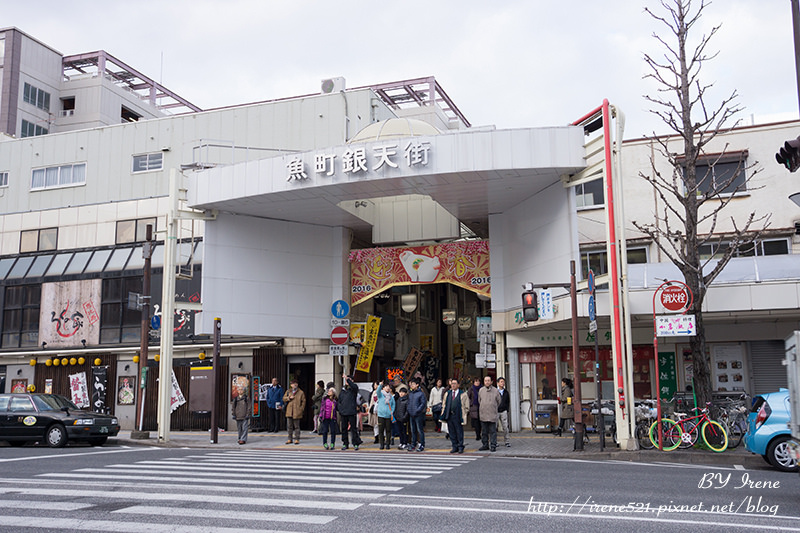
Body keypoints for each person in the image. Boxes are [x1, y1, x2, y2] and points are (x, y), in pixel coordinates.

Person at [441, 378, 469, 453]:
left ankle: (460, 446)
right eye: (452, 383)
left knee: (459, 432)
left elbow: (467, 406)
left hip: (458, 415)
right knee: (451, 432)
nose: (453, 385)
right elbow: (444, 404)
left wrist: (464, 413)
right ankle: (454, 446)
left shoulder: (463, 394)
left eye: (455, 383)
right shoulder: (448, 393)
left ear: (458, 385)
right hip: (449, 415)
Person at [338, 373, 362, 450]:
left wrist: (347, 379)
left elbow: (354, 386)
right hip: (343, 412)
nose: (347, 382)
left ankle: (355, 443)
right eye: (346, 380)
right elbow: (339, 401)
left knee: (353, 429)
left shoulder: (354, 389)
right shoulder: (343, 390)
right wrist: (340, 409)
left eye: (348, 380)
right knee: (344, 428)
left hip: (351, 412)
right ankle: (345, 443)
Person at [478, 375, 501, 452]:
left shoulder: (495, 391)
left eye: (488, 380)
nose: (487, 382)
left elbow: (499, 401)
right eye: (485, 381)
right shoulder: (481, 390)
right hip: (483, 414)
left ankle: (493, 445)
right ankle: (485, 445)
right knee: (484, 431)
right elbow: (479, 400)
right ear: (484, 382)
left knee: (493, 431)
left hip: (492, 414)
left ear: (491, 382)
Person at [283, 379, 306, 445]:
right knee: (289, 426)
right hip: (289, 411)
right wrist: (289, 398)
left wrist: (301, 409)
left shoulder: (301, 392)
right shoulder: (288, 391)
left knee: (297, 426)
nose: (295, 385)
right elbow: (283, 399)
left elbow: (303, 401)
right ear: (291, 385)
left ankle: (297, 439)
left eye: (296, 383)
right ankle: (289, 439)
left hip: (297, 411)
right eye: (293, 384)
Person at [407, 378, 426, 452]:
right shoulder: (410, 393)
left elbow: (423, 404)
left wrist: (417, 410)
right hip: (411, 414)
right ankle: (413, 444)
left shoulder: (421, 393)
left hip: (418, 414)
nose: (411, 386)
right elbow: (408, 403)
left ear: (417, 385)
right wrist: (409, 410)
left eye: (413, 384)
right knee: (413, 430)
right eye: (411, 384)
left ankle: (422, 444)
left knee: (419, 430)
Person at [376, 383, 395, 450]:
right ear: (383, 388)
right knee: (381, 430)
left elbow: (393, 405)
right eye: (386, 386)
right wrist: (380, 385)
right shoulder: (380, 395)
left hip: (388, 416)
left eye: (388, 387)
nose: (388, 388)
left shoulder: (391, 397)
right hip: (381, 415)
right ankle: (381, 444)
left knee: (388, 430)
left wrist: (391, 412)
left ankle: (388, 444)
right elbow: (377, 391)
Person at [497, 377, 511, 447]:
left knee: (505, 427)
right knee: (494, 427)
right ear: (498, 383)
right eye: (501, 382)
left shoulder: (506, 392)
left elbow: (508, 402)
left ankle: (507, 441)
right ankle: (494, 441)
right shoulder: (495, 392)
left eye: (503, 382)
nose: (502, 383)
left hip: (503, 411)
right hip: (496, 411)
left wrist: (506, 409)